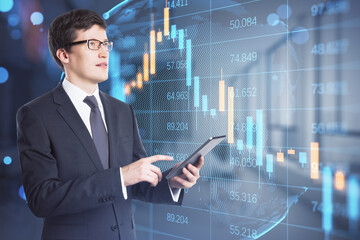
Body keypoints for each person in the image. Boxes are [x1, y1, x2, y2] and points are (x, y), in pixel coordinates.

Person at [16, 9, 204, 240]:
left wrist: (171, 183)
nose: (104, 52)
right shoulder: (36, 115)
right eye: (93, 44)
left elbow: (134, 182)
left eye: (106, 44)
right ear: (64, 55)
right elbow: (42, 199)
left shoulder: (122, 111)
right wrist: (120, 177)